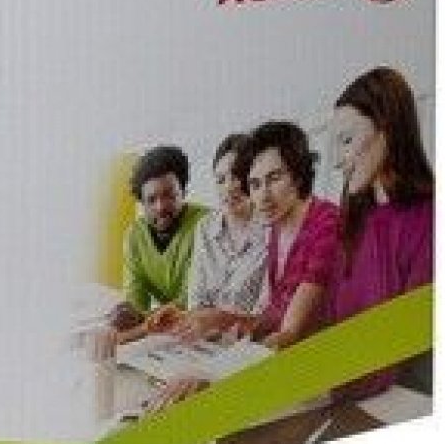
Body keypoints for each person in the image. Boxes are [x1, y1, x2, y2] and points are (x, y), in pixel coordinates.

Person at [146, 122, 340, 412]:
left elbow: (288, 334)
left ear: (298, 175)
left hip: (329, 377)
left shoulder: (326, 224)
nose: (263, 196)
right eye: (256, 184)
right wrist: (203, 318)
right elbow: (271, 319)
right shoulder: (278, 229)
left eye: (275, 178)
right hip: (289, 371)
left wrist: (210, 373)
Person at [327, 67, 433, 401]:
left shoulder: (429, 219)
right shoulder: (352, 221)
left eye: (347, 141)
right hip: (347, 392)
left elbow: (410, 342)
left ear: (387, 127)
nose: (337, 161)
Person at [148, 134, 268, 338]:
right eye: (220, 180)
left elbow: (266, 321)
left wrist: (218, 320)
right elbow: (197, 302)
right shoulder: (205, 227)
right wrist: (182, 317)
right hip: (204, 341)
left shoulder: (272, 233)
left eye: (236, 176)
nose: (228, 187)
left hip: (248, 345)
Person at [118, 145, 207, 323]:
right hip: (167, 329)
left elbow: (198, 297)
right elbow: (135, 303)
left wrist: (147, 317)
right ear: (142, 203)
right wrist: (129, 315)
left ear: (183, 192)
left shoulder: (207, 225)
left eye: (169, 195)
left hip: (205, 323)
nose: (160, 207)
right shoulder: (135, 236)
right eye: (151, 200)